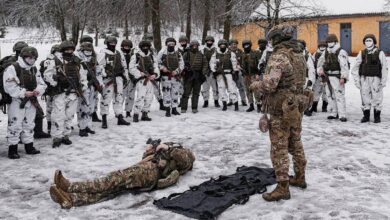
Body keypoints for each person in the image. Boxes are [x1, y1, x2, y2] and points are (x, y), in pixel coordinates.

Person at [250, 24, 310, 202]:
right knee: (296, 143)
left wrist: (255, 85)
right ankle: (300, 177)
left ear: (276, 39)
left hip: (281, 109)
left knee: (279, 148)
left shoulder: (280, 56)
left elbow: (270, 84)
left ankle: (282, 187)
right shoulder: (298, 54)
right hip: (297, 106)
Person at [49, 139, 195, 209]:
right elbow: (146, 158)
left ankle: (71, 186)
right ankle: (72, 199)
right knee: (112, 189)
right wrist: (150, 149)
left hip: (151, 173)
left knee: (113, 178)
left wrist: (169, 148)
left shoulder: (185, 153)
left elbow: (185, 161)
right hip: (145, 171)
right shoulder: (166, 150)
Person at [3, 46, 46, 159]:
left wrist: (38, 91)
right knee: (15, 124)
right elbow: (9, 86)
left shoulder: (33, 69)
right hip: (17, 101)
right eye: (29, 57)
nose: (32, 60)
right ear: (23, 57)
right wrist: (23, 93)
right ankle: (13, 149)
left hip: (31, 100)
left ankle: (29, 146)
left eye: (34, 58)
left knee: (29, 123)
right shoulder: (13, 68)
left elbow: (41, 83)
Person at [43, 40, 88, 148]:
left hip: (73, 92)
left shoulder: (77, 61)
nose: (69, 51)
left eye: (71, 49)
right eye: (67, 49)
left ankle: (65, 135)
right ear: (63, 50)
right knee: (58, 115)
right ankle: (57, 137)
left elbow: (83, 76)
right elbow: (47, 75)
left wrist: (82, 86)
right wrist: (56, 81)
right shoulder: (56, 60)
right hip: (60, 92)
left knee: (69, 115)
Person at [351, 34, 388, 123]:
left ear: (374, 41)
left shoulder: (380, 53)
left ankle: (377, 116)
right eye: (366, 40)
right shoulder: (362, 53)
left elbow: (384, 67)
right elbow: (355, 68)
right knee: (365, 97)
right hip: (365, 78)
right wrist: (357, 81)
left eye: (370, 40)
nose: (368, 42)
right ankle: (366, 116)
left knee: (377, 97)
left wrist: (383, 81)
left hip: (376, 79)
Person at [98, 36, 130, 128]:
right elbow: (99, 67)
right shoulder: (103, 53)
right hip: (108, 80)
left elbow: (124, 66)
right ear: (107, 43)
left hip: (119, 78)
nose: (112, 45)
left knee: (119, 98)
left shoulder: (119, 53)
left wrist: (126, 77)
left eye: (114, 43)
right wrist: (105, 74)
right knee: (106, 99)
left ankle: (119, 116)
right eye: (110, 43)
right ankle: (104, 118)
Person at [317, 34, 350, 122]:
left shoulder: (341, 52)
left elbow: (344, 66)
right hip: (328, 77)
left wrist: (343, 77)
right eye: (328, 42)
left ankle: (342, 114)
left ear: (335, 42)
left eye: (331, 42)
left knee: (339, 95)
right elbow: (320, 62)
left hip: (337, 76)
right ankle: (334, 112)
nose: (329, 43)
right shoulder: (326, 52)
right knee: (330, 95)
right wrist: (320, 70)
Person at [129, 40, 160, 122]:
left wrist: (155, 75)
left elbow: (156, 66)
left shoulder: (152, 56)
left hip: (151, 79)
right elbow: (131, 68)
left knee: (149, 97)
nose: (145, 48)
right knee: (140, 97)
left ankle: (145, 113)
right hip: (141, 80)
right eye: (144, 47)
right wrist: (140, 73)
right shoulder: (136, 56)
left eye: (147, 47)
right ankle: (136, 114)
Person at [76, 42, 103, 137]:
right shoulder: (77, 58)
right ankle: (82, 127)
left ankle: (89, 125)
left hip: (92, 85)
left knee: (90, 107)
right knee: (83, 107)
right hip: (83, 85)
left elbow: (99, 71)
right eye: (86, 50)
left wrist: (99, 83)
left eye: (89, 50)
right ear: (82, 50)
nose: (88, 52)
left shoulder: (94, 58)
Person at [157, 37, 185, 117]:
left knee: (175, 93)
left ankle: (174, 109)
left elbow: (182, 64)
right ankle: (167, 110)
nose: (171, 45)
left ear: (175, 44)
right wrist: (163, 68)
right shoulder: (162, 53)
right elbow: (157, 63)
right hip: (165, 77)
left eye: (173, 44)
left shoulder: (178, 53)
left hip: (175, 76)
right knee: (166, 93)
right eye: (169, 44)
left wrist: (176, 71)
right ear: (166, 44)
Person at [210, 39, 239, 111]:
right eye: (221, 45)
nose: (222, 46)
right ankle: (224, 104)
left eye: (224, 45)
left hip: (229, 73)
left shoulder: (231, 53)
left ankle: (235, 104)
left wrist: (235, 71)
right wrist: (214, 71)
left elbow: (234, 63)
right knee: (221, 89)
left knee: (232, 89)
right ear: (219, 46)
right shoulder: (215, 54)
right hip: (219, 74)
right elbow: (212, 63)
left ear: (226, 45)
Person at [181, 40, 208, 113]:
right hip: (188, 75)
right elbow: (181, 63)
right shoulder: (186, 54)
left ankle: (194, 108)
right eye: (193, 46)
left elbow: (205, 64)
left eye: (196, 45)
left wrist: (203, 73)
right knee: (186, 92)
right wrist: (185, 69)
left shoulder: (201, 55)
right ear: (191, 46)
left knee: (196, 93)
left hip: (198, 75)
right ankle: (183, 108)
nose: (195, 47)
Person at [240, 39, 261, 112]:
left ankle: (259, 104)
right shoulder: (242, 54)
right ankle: (251, 105)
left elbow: (260, 64)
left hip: (254, 74)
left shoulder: (256, 53)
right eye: (245, 45)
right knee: (248, 90)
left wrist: (258, 73)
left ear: (250, 45)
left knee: (256, 90)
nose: (246, 46)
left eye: (248, 45)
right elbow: (240, 64)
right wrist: (242, 70)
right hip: (246, 75)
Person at [200, 35, 219, 108]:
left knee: (215, 88)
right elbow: (200, 60)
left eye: (211, 41)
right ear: (206, 42)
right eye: (208, 41)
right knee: (205, 88)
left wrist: (216, 70)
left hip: (214, 71)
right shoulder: (202, 49)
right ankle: (206, 101)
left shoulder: (216, 49)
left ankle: (216, 101)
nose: (209, 42)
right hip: (205, 71)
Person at [119, 39, 136, 118]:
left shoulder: (133, 55)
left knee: (131, 96)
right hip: (122, 78)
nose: (127, 48)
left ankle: (128, 111)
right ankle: (119, 113)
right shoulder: (119, 54)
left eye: (128, 46)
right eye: (125, 46)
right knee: (121, 96)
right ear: (122, 46)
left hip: (132, 78)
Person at [310, 41, 329, 113]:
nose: (322, 48)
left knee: (326, 92)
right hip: (317, 76)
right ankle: (314, 107)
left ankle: (324, 107)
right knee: (316, 92)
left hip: (326, 76)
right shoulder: (315, 54)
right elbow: (312, 64)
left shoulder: (328, 54)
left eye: (324, 46)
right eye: (321, 46)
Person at [229, 39, 247, 107]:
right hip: (230, 72)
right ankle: (231, 100)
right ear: (230, 45)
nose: (234, 45)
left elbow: (243, 61)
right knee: (231, 87)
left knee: (241, 87)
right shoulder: (227, 51)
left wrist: (241, 69)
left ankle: (243, 100)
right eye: (232, 44)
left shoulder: (240, 51)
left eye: (235, 44)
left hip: (238, 71)